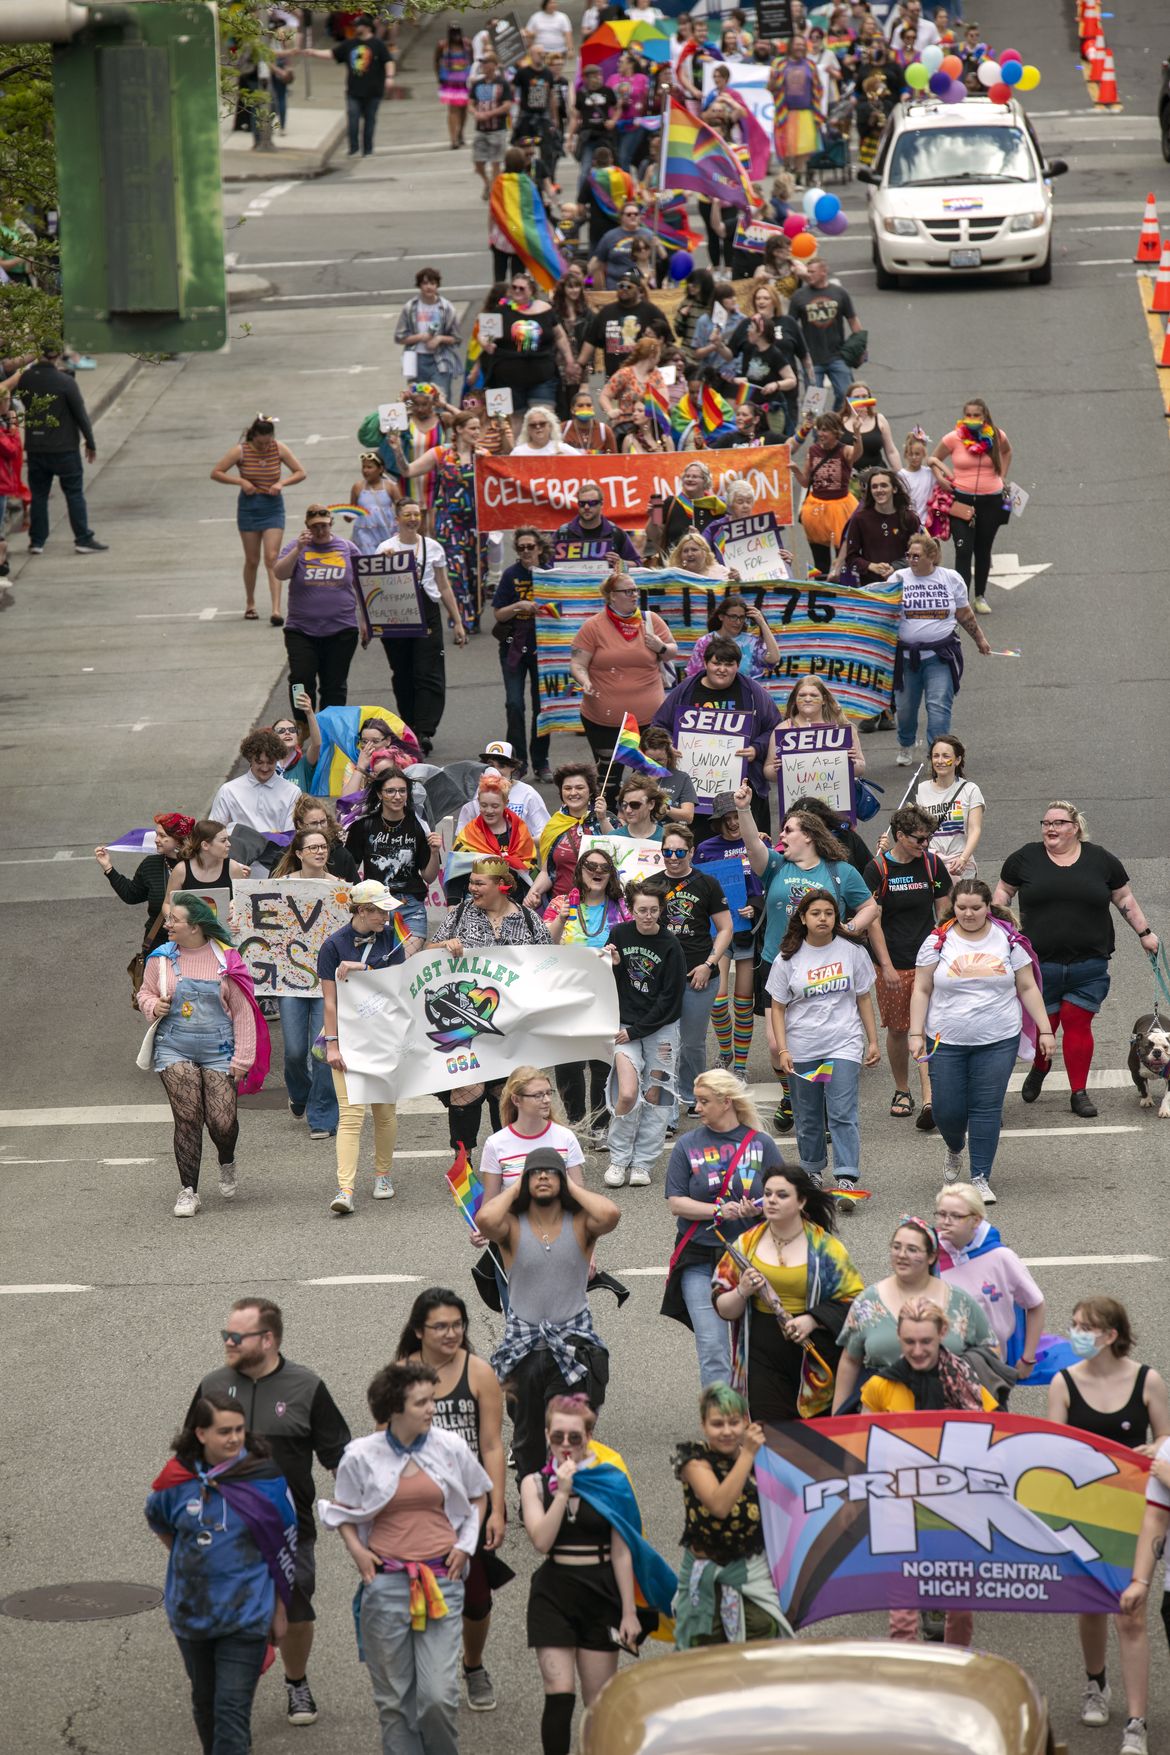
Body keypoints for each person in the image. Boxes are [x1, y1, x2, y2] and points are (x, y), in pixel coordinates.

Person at [186, 1298, 351, 1728]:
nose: (228, 1342)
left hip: (289, 1530)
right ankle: (224, 1693)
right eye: (227, 1334)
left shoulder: (306, 1386)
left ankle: (296, 1680)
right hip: (224, 1529)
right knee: (226, 1614)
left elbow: (338, 1456)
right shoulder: (212, 1386)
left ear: (269, 1339)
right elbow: (188, 1456)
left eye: (236, 1337)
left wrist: (366, 1506)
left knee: (296, 1612)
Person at [320, 1361, 491, 1755]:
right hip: (386, 1585)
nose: (432, 1408)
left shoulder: (451, 1447)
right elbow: (342, 1510)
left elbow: (479, 1494)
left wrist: (465, 1544)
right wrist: (359, 1553)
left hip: (441, 1582)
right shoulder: (360, 1455)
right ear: (394, 1408)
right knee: (396, 1702)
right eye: (422, 1403)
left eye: (431, 1400)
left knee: (437, 1697)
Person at [145, 1392, 297, 1755]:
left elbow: (284, 1547)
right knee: (205, 1704)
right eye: (224, 1431)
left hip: (246, 1618)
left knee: (231, 1710)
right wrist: (194, 1558)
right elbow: (159, 1519)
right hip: (191, 1616)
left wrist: (279, 1611)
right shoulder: (176, 1480)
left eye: (239, 1430)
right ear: (200, 1434)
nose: (233, 1438)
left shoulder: (265, 1480)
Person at [995, 804, 1159, 1121]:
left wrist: (1145, 933)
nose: (1050, 828)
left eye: (1059, 823)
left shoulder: (1100, 860)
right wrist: (996, 929)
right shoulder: (1024, 858)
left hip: (1089, 963)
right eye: (1046, 822)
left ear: (1075, 827)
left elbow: (1124, 898)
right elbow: (1003, 893)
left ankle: (1078, 1093)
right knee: (1048, 1025)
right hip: (1038, 966)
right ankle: (1041, 1067)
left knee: (1076, 1022)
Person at [395, 1291, 511, 1715]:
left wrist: (498, 1508)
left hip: (469, 1508)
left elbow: (493, 1445)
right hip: (418, 1510)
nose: (451, 1333)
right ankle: (424, 1675)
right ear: (418, 1331)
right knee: (417, 1595)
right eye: (440, 1326)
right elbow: (384, 1446)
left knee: (476, 1599)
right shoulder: (400, 1377)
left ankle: (473, 1664)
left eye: (457, 1324)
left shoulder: (478, 1372)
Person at [735, 786, 877, 1125]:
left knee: (820, 1037)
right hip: (778, 962)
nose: (781, 835)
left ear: (809, 836)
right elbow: (753, 843)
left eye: (789, 830)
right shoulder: (774, 865)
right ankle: (790, 1094)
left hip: (826, 963)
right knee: (774, 1044)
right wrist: (743, 809)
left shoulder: (840, 871)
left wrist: (849, 926)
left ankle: (822, 1101)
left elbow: (870, 906)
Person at [519, 1395, 653, 1755]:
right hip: (553, 1594)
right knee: (560, 1697)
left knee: (599, 1704)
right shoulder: (533, 1484)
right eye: (557, 1437)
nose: (565, 1445)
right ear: (546, 1434)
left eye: (574, 1438)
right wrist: (561, 1493)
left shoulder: (611, 1481)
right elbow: (542, 1542)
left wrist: (628, 1612)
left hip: (601, 1592)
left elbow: (622, 1549)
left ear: (589, 1436)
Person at [860, 1300, 996, 1646]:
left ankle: (955, 1672)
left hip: (954, 1509)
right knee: (902, 1618)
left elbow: (992, 1437)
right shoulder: (880, 1387)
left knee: (960, 1610)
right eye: (909, 1342)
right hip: (900, 1508)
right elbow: (862, 1445)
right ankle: (911, 1690)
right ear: (899, 1338)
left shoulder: (966, 1382)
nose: (917, 1351)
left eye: (926, 1342)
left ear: (943, 1335)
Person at [478, 1153, 621, 1479]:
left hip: (572, 1344)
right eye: (536, 1173)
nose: (543, 1177)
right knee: (528, 1437)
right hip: (523, 1348)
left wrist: (570, 1184)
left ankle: (566, 1492)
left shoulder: (582, 1224)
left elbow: (611, 1213)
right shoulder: (512, 1227)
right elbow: (484, 1220)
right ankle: (531, 1495)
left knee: (567, 1430)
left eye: (550, 1173)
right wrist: (515, 1188)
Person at [911, 880, 1054, 1202]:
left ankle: (980, 1177)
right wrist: (915, 1033)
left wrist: (1045, 1030)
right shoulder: (937, 941)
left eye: (976, 908)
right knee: (947, 1111)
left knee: (986, 1109)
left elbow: (1027, 987)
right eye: (962, 908)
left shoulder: (1008, 940)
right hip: (946, 1041)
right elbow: (921, 988)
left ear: (988, 907)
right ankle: (954, 1146)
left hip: (998, 1038)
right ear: (954, 906)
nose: (969, 914)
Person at [137, 895, 265, 1217]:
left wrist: (242, 1059)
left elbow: (243, 1011)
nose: (167, 925)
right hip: (173, 1045)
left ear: (194, 927)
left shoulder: (228, 959)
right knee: (188, 1117)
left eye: (174, 921)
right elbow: (144, 993)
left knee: (222, 1122)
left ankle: (226, 1159)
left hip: (220, 1048)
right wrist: (154, 1006)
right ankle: (188, 1191)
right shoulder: (161, 959)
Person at [712, 1165, 862, 1422]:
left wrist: (812, 1319)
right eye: (767, 1193)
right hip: (761, 1349)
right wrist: (742, 1291)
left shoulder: (826, 1248)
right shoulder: (745, 1244)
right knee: (769, 1432)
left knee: (811, 1436)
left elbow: (855, 1303)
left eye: (782, 1195)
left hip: (814, 1348)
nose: (771, 1200)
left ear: (802, 1201)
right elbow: (723, 1307)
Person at [663, 1072, 781, 1388]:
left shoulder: (761, 1144)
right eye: (696, 1100)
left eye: (704, 1101)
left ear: (726, 1102)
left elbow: (785, 1196)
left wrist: (759, 1206)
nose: (697, 1108)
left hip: (752, 1259)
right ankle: (722, 1425)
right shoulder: (686, 1146)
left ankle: (753, 1417)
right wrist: (718, 1210)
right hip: (700, 1259)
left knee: (754, 1346)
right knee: (713, 1348)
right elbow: (676, 1203)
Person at [768, 887, 880, 1205]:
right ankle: (812, 1171)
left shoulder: (852, 950)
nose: (823, 919)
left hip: (843, 1042)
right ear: (803, 918)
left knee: (843, 1111)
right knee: (808, 1114)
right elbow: (777, 1006)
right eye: (816, 913)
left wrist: (872, 1041)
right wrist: (783, 1049)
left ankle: (846, 1176)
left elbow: (863, 997)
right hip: (804, 1045)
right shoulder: (787, 958)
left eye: (829, 913)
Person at [319, 880, 415, 1216]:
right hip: (347, 1038)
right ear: (362, 910)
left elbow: (400, 988)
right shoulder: (333, 945)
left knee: (384, 1112)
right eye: (381, 911)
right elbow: (329, 1002)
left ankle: (383, 1175)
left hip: (384, 1038)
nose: (387, 917)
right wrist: (332, 1045)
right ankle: (345, 1189)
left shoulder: (392, 939)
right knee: (351, 1114)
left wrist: (366, 968)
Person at [833, 1219, 996, 1411]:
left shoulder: (960, 1302)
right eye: (896, 1247)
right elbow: (850, 1360)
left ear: (931, 1256)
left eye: (912, 1249)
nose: (902, 1255)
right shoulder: (867, 1302)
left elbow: (991, 1350)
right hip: (882, 1408)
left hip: (947, 1410)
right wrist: (837, 1418)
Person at [672, 1384, 789, 1648]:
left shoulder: (763, 1460)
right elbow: (719, 1505)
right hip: (703, 1580)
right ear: (703, 1425)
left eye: (734, 1422)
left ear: (746, 1422)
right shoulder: (693, 1460)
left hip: (752, 1575)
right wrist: (747, 1454)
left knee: (760, 1655)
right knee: (701, 1665)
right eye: (717, 1424)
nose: (726, 1431)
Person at [865, 804, 953, 1128]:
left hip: (929, 963)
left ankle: (930, 1098)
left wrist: (945, 954)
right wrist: (886, 966)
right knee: (899, 1030)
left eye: (928, 839)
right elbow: (873, 921)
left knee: (929, 1027)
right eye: (918, 839)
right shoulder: (877, 870)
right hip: (893, 963)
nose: (924, 845)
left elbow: (945, 916)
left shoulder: (931, 865)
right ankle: (903, 1090)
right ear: (899, 836)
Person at [604, 880, 687, 1189]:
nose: (648, 916)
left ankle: (643, 1163)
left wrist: (637, 1030)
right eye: (642, 910)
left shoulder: (671, 945)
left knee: (658, 1094)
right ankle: (619, 1158)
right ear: (632, 909)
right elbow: (609, 982)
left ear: (661, 910)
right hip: (625, 1027)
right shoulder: (620, 934)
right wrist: (613, 965)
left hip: (660, 1028)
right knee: (626, 1092)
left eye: (654, 910)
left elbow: (670, 999)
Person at [544, 851, 630, 1136]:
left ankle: (600, 1125)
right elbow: (543, 947)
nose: (597, 871)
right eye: (591, 866)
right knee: (568, 1065)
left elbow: (634, 943)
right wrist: (560, 920)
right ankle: (577, 1122)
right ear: (580, 870)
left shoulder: (622, 906)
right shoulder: (559, 903)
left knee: (602, 1062)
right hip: (566, 995)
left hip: (609, 994)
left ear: (611, 873)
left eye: (604, 867)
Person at [889, 532, 991, 762]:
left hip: (940, 657)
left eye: (916, 556)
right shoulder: (897, 579)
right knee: (905, 710)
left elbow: (965, 614)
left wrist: (980, 640)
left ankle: (937, 754)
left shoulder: (951, 578)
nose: (911, 560)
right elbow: (882, 615)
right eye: (909, 555)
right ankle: (906, 743)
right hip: (906, 658)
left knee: (938, 707)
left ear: (932, 556)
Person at [269, 827, 343, 1141]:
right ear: (298, 853)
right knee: (296, 1051)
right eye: (311, 847)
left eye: (323, 846)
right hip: (290, 981)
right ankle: (300, 1093)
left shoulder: (340, 889)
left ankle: (323, 1117)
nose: (318, 851)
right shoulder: (280, 886)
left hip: (326, 981)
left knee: (323, 1050)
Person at [377, 499, 468, 754]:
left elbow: (443, 585)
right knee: (403, 672)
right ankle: (409, 724)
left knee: (428, 672)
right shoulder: (385, 547)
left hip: (427, 612)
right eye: (407, 514)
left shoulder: (433, 547)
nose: (413, 518)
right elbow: (373, 588)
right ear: (397, 519)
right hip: (397, 615)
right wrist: (385, 563)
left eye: (416, 514)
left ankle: (425, 730)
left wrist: (457, 621)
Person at [570, 571, 680, 779]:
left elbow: (673, 651)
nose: (634, 595)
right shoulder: (593, 626)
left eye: (636, 590)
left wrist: (661, 646)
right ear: (612, 595)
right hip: (604, 722)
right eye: (628, 591)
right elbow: (577, 663)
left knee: (651, 779)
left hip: (650, 720)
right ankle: (608, 810)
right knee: (607, 779)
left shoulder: (650, 620)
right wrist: (584, 681)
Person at [934, 1182, 1048, 1377]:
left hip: (990, 1370)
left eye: (955, 1216)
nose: (946, 1221)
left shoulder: (1001, 1258)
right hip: (939, 1369)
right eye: (941, 1214)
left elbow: (1035, 1304)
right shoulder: (929, 1256)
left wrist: (1028, 1357)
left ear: (976, 1220)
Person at [386, 412, 487, 629]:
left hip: (477, 523)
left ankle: (475, 614)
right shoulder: (441, 454)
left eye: (478, 428)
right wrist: (397, 450)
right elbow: (408, 470)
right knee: (456, 570)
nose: (476, 433)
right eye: (472, 428)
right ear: (459, 429)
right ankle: (462, 620)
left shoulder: (484, 455)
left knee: (477, 571)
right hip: (449, 522)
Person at [658, 827, 734, 1112]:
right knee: (664, 1043)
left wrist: (709, 964)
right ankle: (667, 1106)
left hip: (699, 975)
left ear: (691, 852)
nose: (673, 858)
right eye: (668, 852)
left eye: (679, 852)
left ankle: (693, 1096)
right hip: (662, 978)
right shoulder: (652, 885)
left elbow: (726, 929)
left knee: (691, 1043)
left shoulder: (707, 883)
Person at [11, 340, 107, 555]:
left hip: (36, 447)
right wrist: (90, 443)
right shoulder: (65, 382)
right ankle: (82, 538)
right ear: (58, 355)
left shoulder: (25, 380)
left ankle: (37, 541)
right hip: (64, 448)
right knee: (74, 493)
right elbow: (80, 415)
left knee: (39, 495)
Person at [273, 503, 370, 714]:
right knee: (299, 678)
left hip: (341, 629)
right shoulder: (296, 547)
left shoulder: (347, 548)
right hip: (302, 629)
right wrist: (298, 550)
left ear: (331, 524)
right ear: (307, 525)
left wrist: (365, 621)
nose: (320, 531)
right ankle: (301, 721)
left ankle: (329, 727)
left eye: (324, 526)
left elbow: (363, 585)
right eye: (315, 526)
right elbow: (279, 573)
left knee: (334, 684)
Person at [696, 791, 767, 1080]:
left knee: (743, 1002)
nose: (733, 824)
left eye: (736, 817)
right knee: (716, 999)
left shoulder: (756, 842)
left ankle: (740, 1065)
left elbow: (766, 880)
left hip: (748, 932)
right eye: (726, 819)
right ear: (717, 822)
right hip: (719, 932)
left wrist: (755, 905)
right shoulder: (704, 849)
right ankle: (726, 1050)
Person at [210, 413, 307, 622]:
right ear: (253, 436)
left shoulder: (278, 448)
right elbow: (216, 472)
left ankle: (276, 609)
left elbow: (300, 472)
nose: (265, 446)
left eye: (268, 441)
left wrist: (282, 483)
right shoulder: (241, 451)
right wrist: (240, 482)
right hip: (249, 507)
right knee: (252, 559)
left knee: (272, 557)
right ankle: (250, 603)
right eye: (261, 442)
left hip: (273, 506)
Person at [930, 398, 1013, 615]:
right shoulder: (953, 438)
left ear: (985, 416)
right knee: (963, 549)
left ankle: (980, 596)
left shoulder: (996, 435)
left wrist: (1002, 477)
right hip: (961, 500)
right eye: (969, 415)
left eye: (977, 415)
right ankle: (962, 601)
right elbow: (933, 458)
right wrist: (940, 477)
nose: (973, 419)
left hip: (991, 501)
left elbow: (1007, 452)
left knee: (983, 550)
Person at [345, 767, 439, 943]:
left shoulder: (420, 825)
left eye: (402, 791)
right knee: (380, 964)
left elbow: (429, 876)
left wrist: (434, 852)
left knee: (405, 963)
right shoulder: (364, 825)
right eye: (390, 791)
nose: (397, 796)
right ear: (380, 794)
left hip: (410, 907)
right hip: (374, 905)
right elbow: (350, 869)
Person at [493, 529, 553, 781]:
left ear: (539, 548)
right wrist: (519, 606)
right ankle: (517, 762)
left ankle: (541, 762)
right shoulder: (510, 575)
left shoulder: (551, 573)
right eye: (521, 548)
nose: (526, 552)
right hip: (514, 647)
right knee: (514, 704)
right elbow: (498, 614)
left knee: (543, 710)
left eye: (530, 546)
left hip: (546, 648)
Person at [95, 812, 192, 964]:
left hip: (196, 945)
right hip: (159, 946)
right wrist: (108, 867)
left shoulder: (200, 867)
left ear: (179, 841)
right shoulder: (151, 864)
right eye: (156, 835)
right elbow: (131, 895)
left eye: (161, 835)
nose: (156, 840)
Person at [480, 269, 580, 416]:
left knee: (543, 418)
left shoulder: (545, 309)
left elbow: (559, 336)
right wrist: (487, 344)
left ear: (531, 291)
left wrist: (570, 360)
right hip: (508, 378)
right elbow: (484, 335)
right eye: (514, 287)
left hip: (542, 376)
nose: (517, 291)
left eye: (521, 288)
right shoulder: (500, 311)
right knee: (514, 423)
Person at [293, 17, 395, 156]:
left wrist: (389, 77)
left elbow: (388, 61)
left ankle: (368, 149)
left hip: (373, 90)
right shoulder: (350, 44)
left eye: (358, 26)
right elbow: (332, 54)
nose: (355, 28)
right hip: (353, 90)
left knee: (369, 120)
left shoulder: (378, 44)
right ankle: (353, 148)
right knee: (353, 118)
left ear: (367, 27)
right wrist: (314, 52)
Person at [791, 412, 860, 576]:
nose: (821, 434)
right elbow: (806, 482)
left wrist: (857, 434)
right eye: (819, 429)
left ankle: (843, 594)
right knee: (820, 562)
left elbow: (858, 453)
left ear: (836, 431)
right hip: (816, 510)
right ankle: (820, 595)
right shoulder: (812, 451)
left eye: (825, 430)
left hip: (841, 509)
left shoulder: (846, 451)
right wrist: (795, 469)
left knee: (842, 560)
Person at [788, 259, 862, 412]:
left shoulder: (839, 293)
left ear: (823, 272)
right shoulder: (799, 297)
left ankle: (835, 423)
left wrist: (860, 346)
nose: (808, 275)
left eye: (812, 272)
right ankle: (818, 434)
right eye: (807, 272)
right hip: (811, 361)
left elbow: (853, 320)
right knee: (814, 405)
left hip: (838, 356)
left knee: (846, 395)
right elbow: (790, 325)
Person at [529, 763, 608, 904]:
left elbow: (621, 855)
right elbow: (547, 872)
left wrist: (602, 819)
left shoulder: (606, 819)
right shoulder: (555, 824)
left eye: (579, 787)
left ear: (590, 791)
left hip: (601, 908)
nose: (573, 793)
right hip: (561, 907)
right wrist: (534, 892)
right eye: (567, 788)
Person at [910, 734, 984, 877]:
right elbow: (909, 828)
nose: (940, 761)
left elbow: (975, 829)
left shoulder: (970, 790)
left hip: (961, 866)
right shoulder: (919, 790)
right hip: (929, 864)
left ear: (957, 760)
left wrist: (963, 858)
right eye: (935, 756)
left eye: (946, 756)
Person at [578, 272, 671, 383]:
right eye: (621, 286)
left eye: (629, 287)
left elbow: (667, 342)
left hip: (644, 380)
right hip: (614, 379)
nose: (624, 289)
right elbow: (591, 341)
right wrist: (579, 365)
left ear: (640, 290)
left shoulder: (652, 311)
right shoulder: (606, 312)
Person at [836, 467, 920, 588]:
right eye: (874, 487)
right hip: (870, 587)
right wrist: (871, 566)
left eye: (884, 485)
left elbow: (918, 553)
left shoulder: (909, 518)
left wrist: (895, 567)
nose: (879, 490)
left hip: (904, 584)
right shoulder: (860, 519)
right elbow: (851, 557)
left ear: (894, 489)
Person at [208, 727, 300, 836]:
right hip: (237, 851)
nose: (265, 768)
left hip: (277, 851)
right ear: (250, 758)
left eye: (270, 762)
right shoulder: (228, 790)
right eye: (259, 762)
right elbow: (214, 830)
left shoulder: (292, 791)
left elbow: (290, 834)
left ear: (277, 759)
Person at [452, 773, 538, 886]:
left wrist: (535, 894)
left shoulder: (520, 832)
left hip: (517, 897)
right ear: (478, 801)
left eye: (495, 806)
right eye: (483, 805)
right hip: (478, 898)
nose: (489, 811)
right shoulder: (468, 834)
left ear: (506, 803)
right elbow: (457, 872)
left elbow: (531, 867)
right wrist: (453, 902)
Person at [395, 268, 463, 407]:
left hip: (441, 360)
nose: (429, 287)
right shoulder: (410, 307)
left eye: (432, 283)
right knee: (418, 401)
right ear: (419, 285)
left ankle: (441, 428)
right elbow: (400, 337)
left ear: (437, 285)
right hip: (416, 359)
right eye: (425, 283)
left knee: (440, 400)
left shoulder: (446, 308)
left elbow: (456, 338)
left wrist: (439, 339)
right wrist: (421, 337)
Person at [774, 675, 865, 775]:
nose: (807, 699)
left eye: (814, 695)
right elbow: (768, 771)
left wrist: (853, 763)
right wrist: (777, 769)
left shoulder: (842, 727)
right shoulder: (783, 729)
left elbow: (861, 767)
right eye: (802, 695)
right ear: (795, 699)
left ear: (824, 700)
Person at [457, 741, 551, 838]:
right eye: (491, 765)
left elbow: (545, 834)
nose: (495, 770)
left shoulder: (528, 793)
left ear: (513, 767)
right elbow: (462, 834)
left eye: (501, 766)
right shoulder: (474, 794)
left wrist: (519, 843)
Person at [165, 819, 250, 921]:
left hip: (225, 933)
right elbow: (168, 903)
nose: (229, 844)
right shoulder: (181, 870)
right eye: (223, 840)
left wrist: (236, 912)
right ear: (205, 845)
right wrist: (173, 921)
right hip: (191, 933)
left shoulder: (233, 868)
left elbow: (245, 903)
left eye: (228, 839)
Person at [552, 486, 640, 566]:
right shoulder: (563, 533)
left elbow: (637, 563)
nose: (586, 507)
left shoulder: (616, 533)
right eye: (582, 503)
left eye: (592, 503)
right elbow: (546, 564)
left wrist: (621, 563)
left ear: (601, 504)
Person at [568, 64, 618, 195]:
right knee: (585, 170)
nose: (598, 78)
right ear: (587, 78)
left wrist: (613, 120)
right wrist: (570, 138)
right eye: (594, 76)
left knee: (609, 168)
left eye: (599, 75)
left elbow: (618, 108)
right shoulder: (581, 94)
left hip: (604, 135)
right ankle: (581, 200)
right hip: (588, 137)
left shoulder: (608, 91)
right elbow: (575, 117)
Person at [638, 726, 698, 825]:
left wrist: (666, 808)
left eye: (660, 760)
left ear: (668, 755)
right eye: (650, 760)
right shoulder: (636, 777)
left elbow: (689, 816)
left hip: (670, 835)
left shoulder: (682, 778)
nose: (655, 765)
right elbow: (622, 816)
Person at [272, 701, 323, 791]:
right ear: (272, 737)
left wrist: (309, 712)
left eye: (292, 730)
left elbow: (317, 744)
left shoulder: (304, 764)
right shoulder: (266, 765)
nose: (287, 732)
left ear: (298, 737)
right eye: (281, 730)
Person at [435, 28, 472, 149]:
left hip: (465, 81)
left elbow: (472, 60)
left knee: (464, 109)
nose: (456, 36)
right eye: (453, 33)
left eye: (457, 33)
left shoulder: (467, 44)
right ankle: (453, 138)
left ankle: (460, 132)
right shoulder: (443, 45)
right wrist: (439, 77)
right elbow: (436, 60)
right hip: (450, 83)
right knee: (453, 110)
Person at [511, 407, 579, 456]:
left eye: (542, 423)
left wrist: (566, 462)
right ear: (527, 429)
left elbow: (583, 463)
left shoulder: (563, 449)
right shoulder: (518, 452)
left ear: (550, 426)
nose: (538, 427)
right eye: (533, 425)